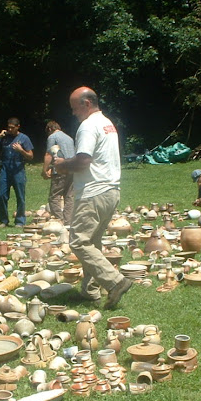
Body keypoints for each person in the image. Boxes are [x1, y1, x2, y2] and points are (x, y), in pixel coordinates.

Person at [53, 86, 132, 309]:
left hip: (93, 192)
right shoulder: (107, 124)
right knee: (92, 243)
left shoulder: (88, 126)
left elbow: (83, 161)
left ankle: (115, 281)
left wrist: (62, 165)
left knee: (78, 241)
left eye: (74, 107)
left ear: (86, 103)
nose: (73, 113)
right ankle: (90, 292)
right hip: (111, 191)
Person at [0, 118, 33, 228]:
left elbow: (31, 156)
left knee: (20, 196)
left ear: (18, 126)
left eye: (12, 127)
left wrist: (21, 150)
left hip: (18, 169)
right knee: (1, 195)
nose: (10, 129)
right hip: (5, 169)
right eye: (9, 127)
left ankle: (20, 221)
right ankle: (3, 220)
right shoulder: (4, 137)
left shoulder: (24, 138)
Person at [42, 121, 75, 224]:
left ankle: (59, 220)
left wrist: (44, 170)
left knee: (54, 197)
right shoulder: (69, 138)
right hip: (72, 169)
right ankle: (68, 221)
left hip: (60, 170)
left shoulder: (53, 137)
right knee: (69, 196)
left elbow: (49, 154)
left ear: (50, 129)